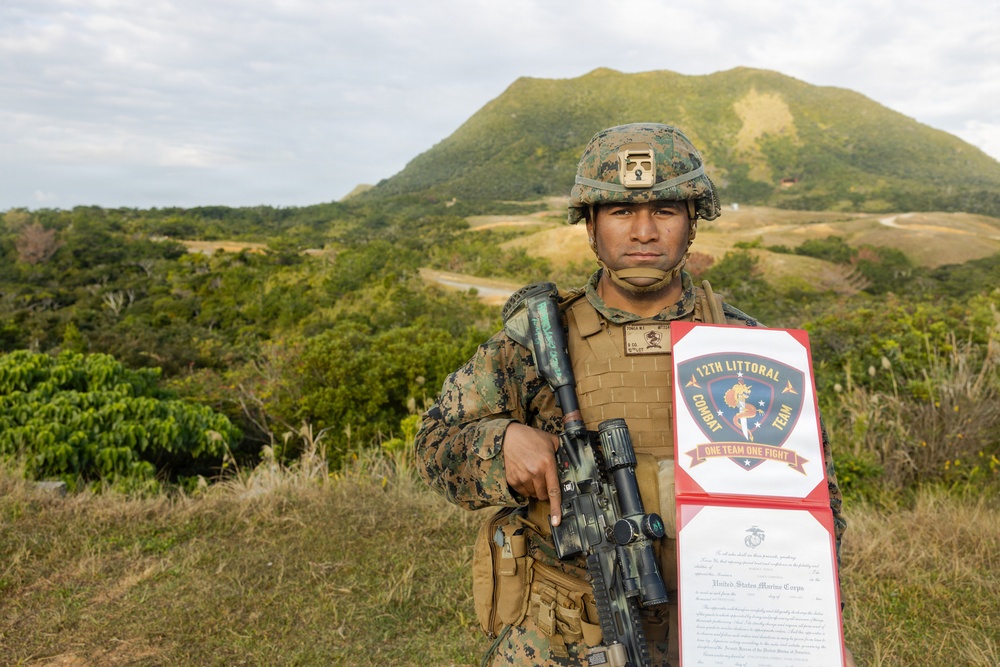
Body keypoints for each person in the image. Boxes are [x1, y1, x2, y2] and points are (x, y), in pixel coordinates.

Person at [415, 123, 852, 666]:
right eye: (621, 212)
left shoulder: (749, 349)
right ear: (591, 225)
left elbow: (813, 509)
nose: (643, 231)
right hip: (565, 635)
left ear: (693, 222)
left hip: (722, 632)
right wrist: (500, 444)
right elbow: (434, 444)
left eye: (665, 211)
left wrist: (814, 635)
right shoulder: (539, 339)